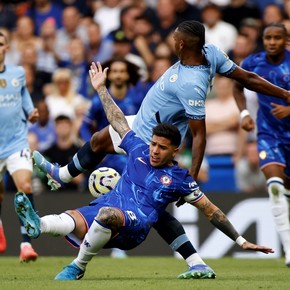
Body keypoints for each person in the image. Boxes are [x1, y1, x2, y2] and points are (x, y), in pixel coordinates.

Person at [33, 20, 290, 274]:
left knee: (150, 205)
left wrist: (190, 177)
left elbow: (199, 135)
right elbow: (248, 77)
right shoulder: (211, 52)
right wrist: (286, 94)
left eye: (174, 38)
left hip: (147, 139)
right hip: (141, 122)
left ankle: (64, 188)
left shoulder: (192, 84)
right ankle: (63, 174)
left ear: (180, 44)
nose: (170, 41)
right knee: (101, 140)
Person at [232, 22, 290, 266]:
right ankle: (289, 251)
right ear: (263, 39)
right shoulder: (252, 62)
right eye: (268, 37)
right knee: (275, 187)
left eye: (278, 37)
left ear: (286, 40)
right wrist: (244, 114)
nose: (272, 42)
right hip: (268, 134)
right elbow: (237, 85)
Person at [0, 31, 39, 261]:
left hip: (16, 142)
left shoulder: (18, 74)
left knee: (25, 186)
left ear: (7, 48)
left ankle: (26, 244)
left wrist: (32, 113)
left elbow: (27, 105)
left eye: (1, 43)